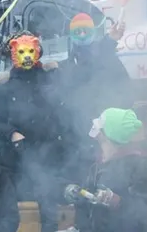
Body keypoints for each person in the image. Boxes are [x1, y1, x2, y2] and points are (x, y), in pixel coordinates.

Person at [44, 108, 147, 232]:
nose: (95, 125)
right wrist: (68, 190)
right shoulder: (94, 163)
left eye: (101, 122)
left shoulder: (141, 169)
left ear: (109, 133)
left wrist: (118, 202)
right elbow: (60, 182)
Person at [0, 30, 71, 232]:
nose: (26, 56)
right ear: (13, 51)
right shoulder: (4, 87)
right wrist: (12, 134)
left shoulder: (52, 79)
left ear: (38, 51)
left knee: (49, 199)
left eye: (30, 51)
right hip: (15, 157)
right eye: (22, 51)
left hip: (49, 155)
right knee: (2, 201)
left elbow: (66, 111)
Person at [55, 13, 131, 174]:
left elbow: (125, 88)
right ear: (71, 35)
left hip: (113, 133)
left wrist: (114, 122)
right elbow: (67, 102)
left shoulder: (107, 56)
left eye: (86, 31)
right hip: (80, 137)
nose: (82, 35)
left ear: (93, 32)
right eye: (77, 31)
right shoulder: (67, 65)